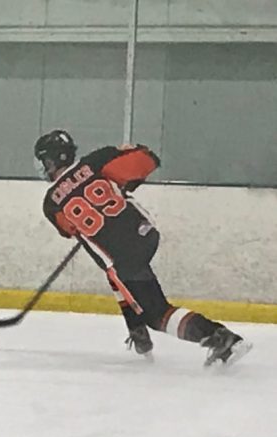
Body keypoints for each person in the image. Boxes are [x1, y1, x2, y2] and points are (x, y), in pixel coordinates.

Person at [34, 129, 251, 367]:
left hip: (122, 257)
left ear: (50, 160)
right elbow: (147, 159)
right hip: (144, 234)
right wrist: (127, 183)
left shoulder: (50, 204)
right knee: (120, 275)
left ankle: (220, 338)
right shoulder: (97, 161)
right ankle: (139, 325)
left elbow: (68, 230)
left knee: (156, 314)